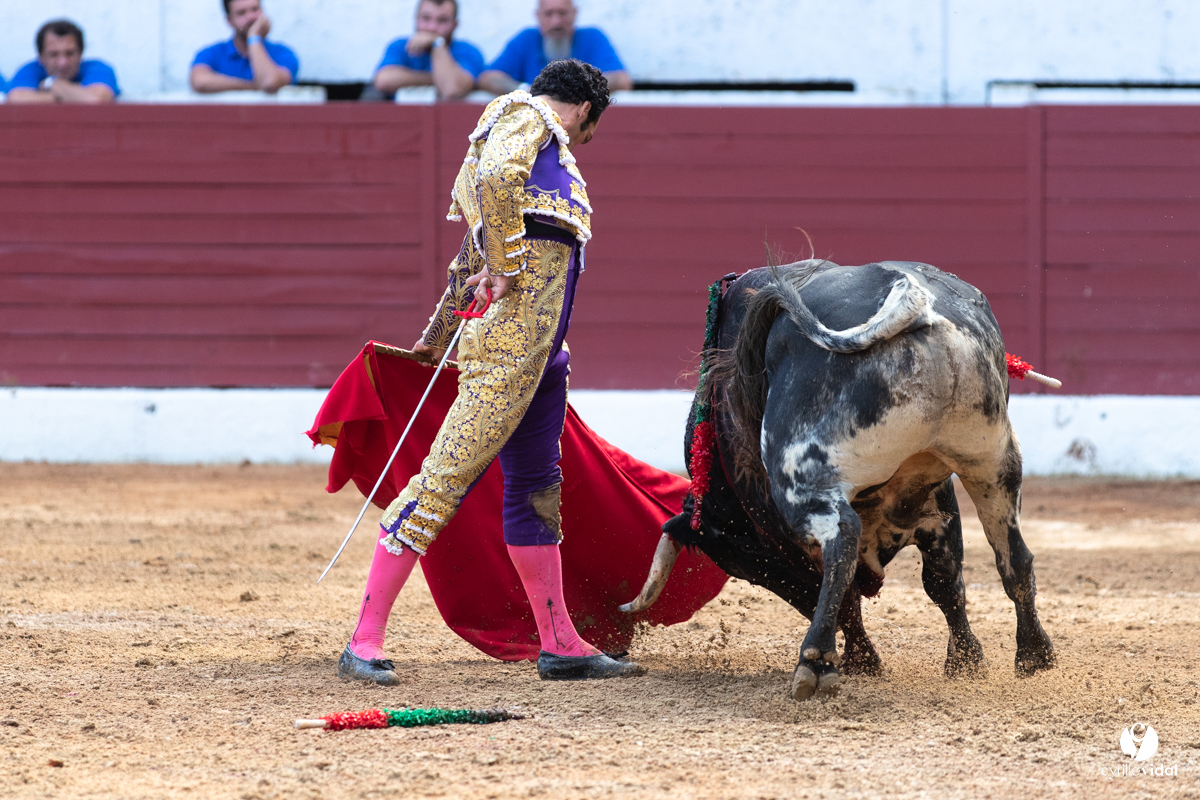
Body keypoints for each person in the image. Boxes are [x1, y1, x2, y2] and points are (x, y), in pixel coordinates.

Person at [339, 59, 644, 685]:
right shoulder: (525, 116)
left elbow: (468, 256)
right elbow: (499, 196)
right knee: (441, 480)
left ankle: (560, 643)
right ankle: (363, 640)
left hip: (540, 358)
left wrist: (434, 339)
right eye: (589, 131)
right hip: (506, 352)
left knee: (537, 489)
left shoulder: (534, 149)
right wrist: (506, 267)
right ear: (586, 110)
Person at [479, 0, 631, 95]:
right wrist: (526, 90)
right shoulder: (527, 39)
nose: (556, 22)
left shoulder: (592, 38)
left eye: (562, 13)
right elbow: (488, 78)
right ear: (538, 16)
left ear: (574, 14)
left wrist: (576, 89)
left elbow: (621, 79)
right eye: (549, 14)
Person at [374, 0, 484, 101]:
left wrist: (437, 43)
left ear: (455, 25)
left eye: (442, 20)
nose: (432, 27)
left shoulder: (468, 51)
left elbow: (452, 90)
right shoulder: (401, 46)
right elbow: (383, 80)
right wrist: (438, 79)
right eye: (426, 18)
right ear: (416, 19)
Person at [190, 0, 298, 94]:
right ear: (229, 21)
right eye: (241, 13)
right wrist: (254, 87)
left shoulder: (283, 53)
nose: (251, 17)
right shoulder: (212, 53)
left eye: (255, 9)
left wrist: (254, 38)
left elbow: (269, 83)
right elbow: (199, 82)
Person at [6, 20, 119, 104]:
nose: (62, 63)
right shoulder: (30, 69)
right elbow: (15, 100)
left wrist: (50, 84)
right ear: (41, 57)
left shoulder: (98, 68)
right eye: (53, 54)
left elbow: (96, 100)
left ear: (80, 54)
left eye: (69, 53)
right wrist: (75, 95)